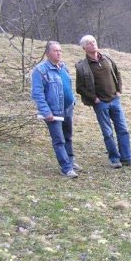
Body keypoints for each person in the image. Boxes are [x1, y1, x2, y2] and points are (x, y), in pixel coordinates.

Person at [75, 35, 131, 169]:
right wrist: (94, 99)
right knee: (108, 133)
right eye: (89, 43)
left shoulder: (107, 59)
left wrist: (119, 91)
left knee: (123, 130)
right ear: (84, 48)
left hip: (115, 100)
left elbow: (117, 73)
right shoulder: (82, 66)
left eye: (93, 41)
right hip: (101, 104)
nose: (93, 44)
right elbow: (80, 88)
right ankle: (114, 159)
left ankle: (127, 158)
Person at [31, 41, 79, 178]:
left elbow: (68, 85)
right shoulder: (40, 70)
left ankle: (71, 161)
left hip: (67, 108)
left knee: (68, 136)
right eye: (55, 51)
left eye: (60, 50)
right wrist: (46, 111)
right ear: (47, 53)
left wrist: (73, 100)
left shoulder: (63, 67)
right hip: (53, 112)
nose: (59, 53)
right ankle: (66, 167)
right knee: (59, 140)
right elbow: (37, 94)